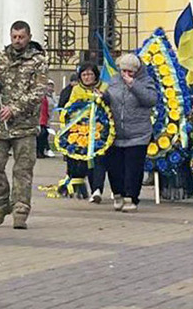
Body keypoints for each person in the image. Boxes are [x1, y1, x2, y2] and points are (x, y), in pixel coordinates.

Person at [0, 21, 47, 229]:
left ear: (29, 37)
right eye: (14, 37)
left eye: (21, 37)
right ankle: (1, 204)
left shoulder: (38, 61)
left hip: (25, 126)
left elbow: (38, 92)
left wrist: (15, 108)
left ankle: (20, 209)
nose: (17, 41)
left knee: (23, 170)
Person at [102, 53, 158, 213]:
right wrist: (103, 97)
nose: (126, 74)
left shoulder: (146, 81)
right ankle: (118, 194)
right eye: (123, 71)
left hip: (138, 133)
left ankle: (131, 197)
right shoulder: (114, 80)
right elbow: (110, 98)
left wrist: (133, 84)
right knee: (114, 168)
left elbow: (150, 99)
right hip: (115, 133)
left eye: (130, 72)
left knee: (133, 168)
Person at [59, 62, 105, 202]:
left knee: (97, 160)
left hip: (99, 131)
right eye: (84, 74)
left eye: (90, 74)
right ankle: (82, 187)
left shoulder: (103, 88)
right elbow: (69, 107)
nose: (87, 77)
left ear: (96, 75)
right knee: (82, 161)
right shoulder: (76, 90)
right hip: (80, 131)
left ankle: (97, 190)